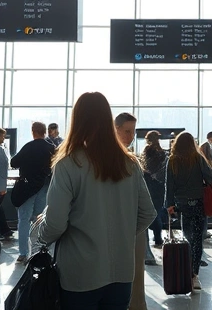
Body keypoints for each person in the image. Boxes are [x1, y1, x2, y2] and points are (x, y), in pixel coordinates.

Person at [37, 92, 156, 309]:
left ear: (77, 120)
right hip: (121, 272)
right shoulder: (129, 163)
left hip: (80, 273)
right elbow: (148, 212)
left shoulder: (68, 164)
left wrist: (40, 236)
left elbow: (55, 223)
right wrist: (123, 233)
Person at [165, 132, 212, 291]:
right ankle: (194, 276)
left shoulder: (172, 161)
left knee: (187, 236)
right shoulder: (198, 158)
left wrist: (170, 204)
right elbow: (211, 177)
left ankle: (186, 271)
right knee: (198, 239)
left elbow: (169, 184)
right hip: (198, 202)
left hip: (182, 204)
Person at [114, 112, 154, 310]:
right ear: (116, 130)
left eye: (133, 132)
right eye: (127, 131)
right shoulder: (129, 162)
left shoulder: (130, 161)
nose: (130, 136)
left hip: (128, 230)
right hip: (133, 228)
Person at [10, 121, 55, 264]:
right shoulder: (51, 148)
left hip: (27, 188)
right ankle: (38, 251)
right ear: (44, 132)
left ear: (33, 131)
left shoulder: (28, 147)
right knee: (40, 219)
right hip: (44, 187)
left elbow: (14, 162)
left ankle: (23, 253)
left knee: (24, 219)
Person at [141, 131, 169, 247]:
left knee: (149, 211)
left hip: (148, 184)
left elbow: (143, 167)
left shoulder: (147, 151)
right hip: (160, 186)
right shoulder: (162, 153)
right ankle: (158, 238)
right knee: (157, 210)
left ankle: (150, 238)